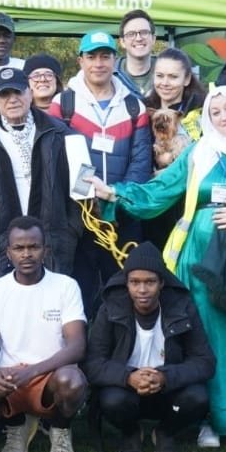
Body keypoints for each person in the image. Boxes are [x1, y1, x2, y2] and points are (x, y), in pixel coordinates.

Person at [92, 85, 226, 451]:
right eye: (216, 112)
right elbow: (161, 190)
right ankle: (207, 421)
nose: (225, 116)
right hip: (199, 256)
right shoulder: (199, 153)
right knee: (205, 337)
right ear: (208, 119)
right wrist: (115, 193)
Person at [0, 218, 87, 452]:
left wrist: (32, 371)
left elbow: (77, 346)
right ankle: (16, 427)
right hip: (10, 377)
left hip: (50, 375)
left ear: (46, 250)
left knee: (72, 381)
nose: (27, 254)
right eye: (19, 248)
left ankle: (60, 430)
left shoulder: (65, 286)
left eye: (34, 247)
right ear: (8, 252)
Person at [48, 30, 153, 310]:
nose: (98, 63)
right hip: (78, 216)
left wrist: (114, 199)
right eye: (91, 56)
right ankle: (79, 351)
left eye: (105, 56)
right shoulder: (64, 103)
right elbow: (54, 159)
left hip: (122, 216)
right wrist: (86, 198)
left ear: (114, 60)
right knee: (78, 294)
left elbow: (140, 162)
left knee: (122, 291)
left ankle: (120, 350)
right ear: (80, 60)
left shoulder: (134, 105)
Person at [85, 243, 215, 452]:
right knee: (112, 400)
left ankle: (165, 433)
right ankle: (131, 433)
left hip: (167, 392)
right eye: (135, 282)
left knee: (198, 398)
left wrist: (165, 377)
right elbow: (92, 363)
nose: (142, 290)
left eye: (150, 282)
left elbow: (205, 362)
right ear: (126, 283)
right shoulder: (110, 308)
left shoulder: (182, 307)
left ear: (162, 283)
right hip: (127, 392)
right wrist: (128, 377)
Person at [0, 67, 83, 287]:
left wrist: (71, 227)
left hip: (53, 247)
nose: (12, 99)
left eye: (18, 92)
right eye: (4, 94)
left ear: (30, 92)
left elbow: (83, 185)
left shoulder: (63, 134)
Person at [141, 47, 209, 248]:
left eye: (173, 77)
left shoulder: (202, 112)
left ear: (187, 79)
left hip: (190, 202)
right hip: (154, 202)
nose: (165, 83)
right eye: (160, 76)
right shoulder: (143, 110)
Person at [116, 10, 159, 98]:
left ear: (153, 39)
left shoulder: (169, 73)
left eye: (144, 32)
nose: (138, 38)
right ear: (122, 42)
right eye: (131, 34)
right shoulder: (110, 77)